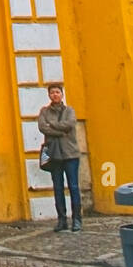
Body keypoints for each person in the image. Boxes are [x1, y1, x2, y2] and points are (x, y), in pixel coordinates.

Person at [37, 82, 82, 232]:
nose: (55, 95)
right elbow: (43, 127)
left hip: (70, 154)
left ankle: (77, 219)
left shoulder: (70, 110)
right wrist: (60, 131)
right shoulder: (44, 111)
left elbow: (69, 124)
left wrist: (52, 126)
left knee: (74, 187)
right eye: (52, 92)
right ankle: (61, 220)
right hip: (54, 155)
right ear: (49, 95)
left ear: (62, 94)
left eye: (57, 92)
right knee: (58, 188)